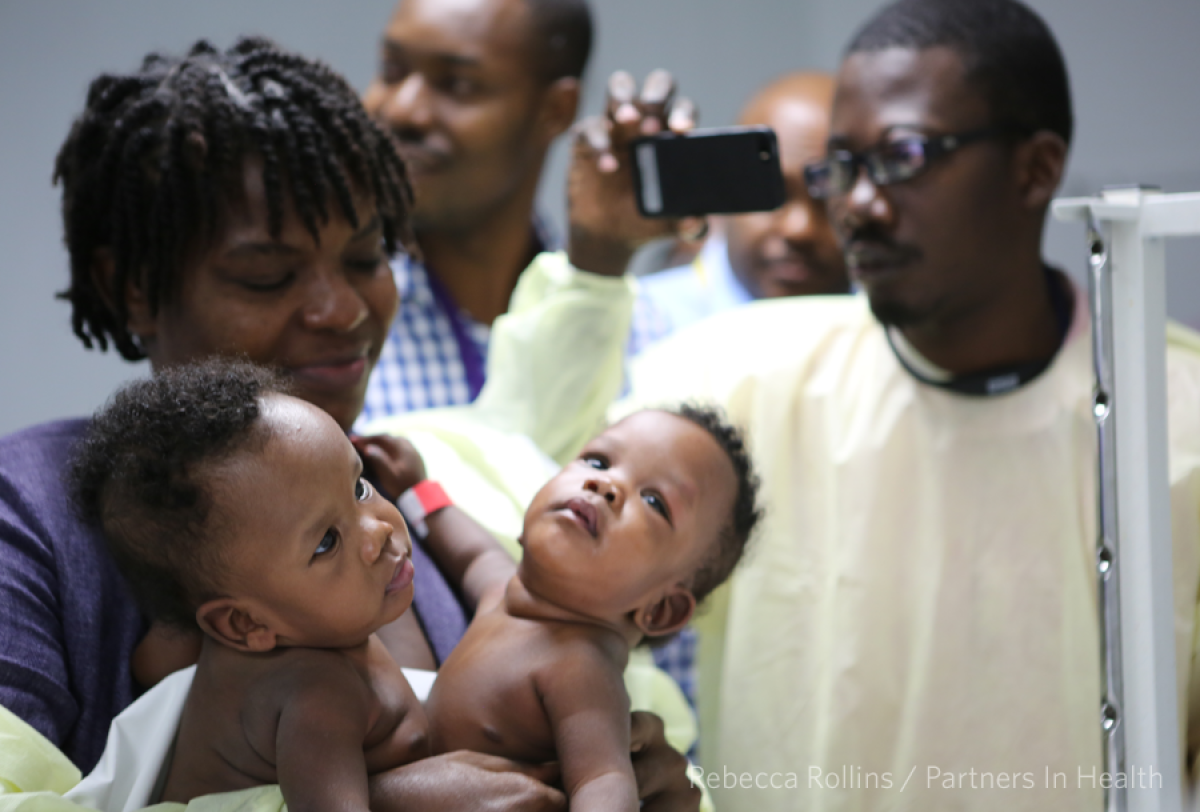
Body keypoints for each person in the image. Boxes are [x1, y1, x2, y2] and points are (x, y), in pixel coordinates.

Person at [362, 0, 1200, 807]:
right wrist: (601, 255)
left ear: (1036, 168)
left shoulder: (1178, 408)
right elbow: (526, 440)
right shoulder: (750, 367)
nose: (861, 204)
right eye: (848, 166)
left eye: (906, 155)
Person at [0, 35, 699, 812]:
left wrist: (648, 778)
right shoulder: (26, 513)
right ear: (129, 285)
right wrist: (392, 799)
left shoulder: (425, 480)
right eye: (267, 276)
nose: (344, 310)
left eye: (369, 258)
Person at [72, 361, 429, 810]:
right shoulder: (316, 698)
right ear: (242, 622)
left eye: (358, 488)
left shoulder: (301, 622)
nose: (377, 530)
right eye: (326, 542)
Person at [422, 406, 761, 812]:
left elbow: (604, 781)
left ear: (660, 609)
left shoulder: (580, 668)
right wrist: (415, 488)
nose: (605, 484)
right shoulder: (504, 596)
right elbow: (472, 552)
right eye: (598, 461)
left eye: (654, 501)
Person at [357, 0, 671, 419]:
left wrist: (599, 261)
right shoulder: (335, 324)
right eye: (391, 71)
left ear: (555, 111)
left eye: (457, 84)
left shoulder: (636, 335)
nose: (401, 110)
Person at [637, 72, 850, 333]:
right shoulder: (644, 325)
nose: (799, 229)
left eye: (826, 197)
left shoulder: (897, 331)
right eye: (773, 193)